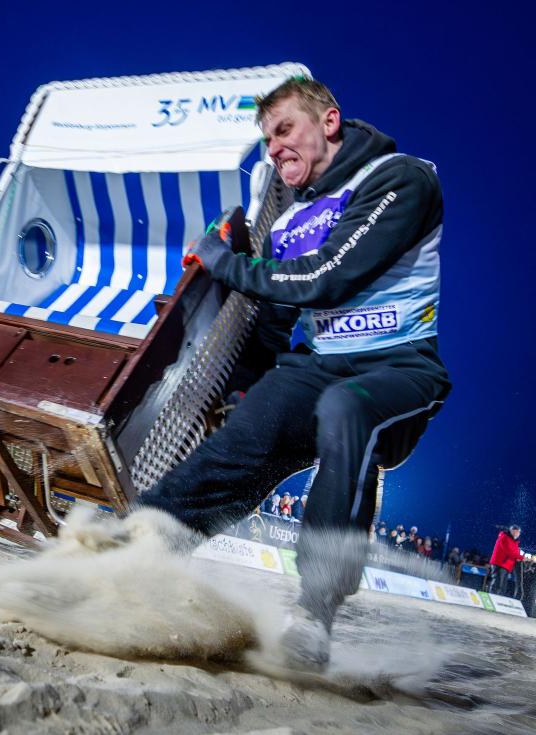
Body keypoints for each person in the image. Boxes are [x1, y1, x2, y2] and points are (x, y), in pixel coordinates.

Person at [137, 77, 451, 672]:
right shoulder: (289, 217)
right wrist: (242, 385)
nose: (274, 147)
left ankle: (314, 611)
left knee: (344, 409)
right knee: (248, 435)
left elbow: (326, 278)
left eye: (284, 130)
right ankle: (141, 547)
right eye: (266, 138)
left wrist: (227, 262)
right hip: (319, 365)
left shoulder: (402, 177)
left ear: (328, 122)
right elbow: (278, 316)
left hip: (399, 368)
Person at [489, 525, 531, 596]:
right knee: (498, 581)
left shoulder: (514, 541)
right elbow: (510, 552)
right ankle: (492, 598)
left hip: (506, 565)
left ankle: (498, 599)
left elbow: (516, 552)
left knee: (503, 584)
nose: (516, 534)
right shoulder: (505, 537)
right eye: (515, 532)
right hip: (500, 563)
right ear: (511, 531)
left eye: (518, 532)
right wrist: (522, 558)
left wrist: (521, 557)